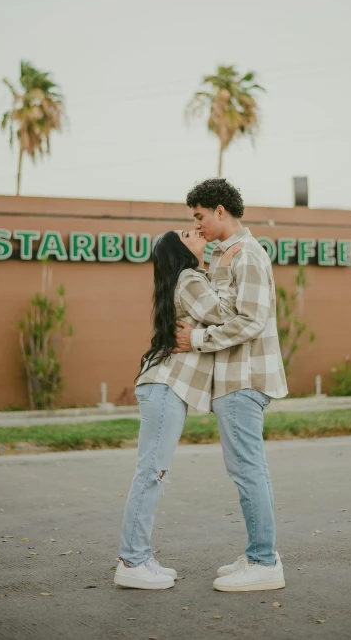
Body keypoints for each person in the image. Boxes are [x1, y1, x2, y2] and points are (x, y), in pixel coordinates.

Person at [174, 178, 288, 592]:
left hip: (245, 378)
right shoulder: (229, 255)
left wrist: (198, 339)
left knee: (247, 470)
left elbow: (252, 319)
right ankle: (261, 551)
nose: (197, 224)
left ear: (220, 210)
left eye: (200, 216)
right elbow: (224, 309)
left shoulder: (249, 255)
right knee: (246, 469)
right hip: (233, 378)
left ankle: (262, 562)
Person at [114, 228, 242, 590]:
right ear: (180, 250)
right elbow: (225, 312)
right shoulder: (188, 278)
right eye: (187, 233)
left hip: (167, 388)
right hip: (165, 387)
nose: (196, 230)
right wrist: (224, 268)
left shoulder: (190, 278)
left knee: (154, 473)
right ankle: (131, 560)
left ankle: (137, 554)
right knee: (151, 473)